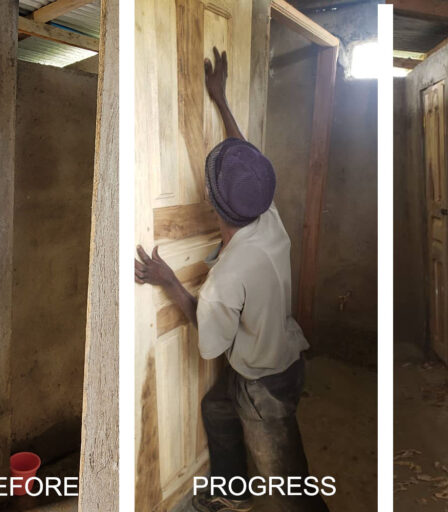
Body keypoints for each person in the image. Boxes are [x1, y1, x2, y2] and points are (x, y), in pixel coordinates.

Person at [135, 47, 329, 512]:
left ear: (213, 203)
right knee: (216, 409)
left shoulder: (226, 276)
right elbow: (248, 164)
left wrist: (168, 280)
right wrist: (220, 99)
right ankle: (230, 492)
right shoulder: (266, 216)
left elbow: (210, 339)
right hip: (281, 357)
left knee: (285, 488)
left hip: (263, 383)